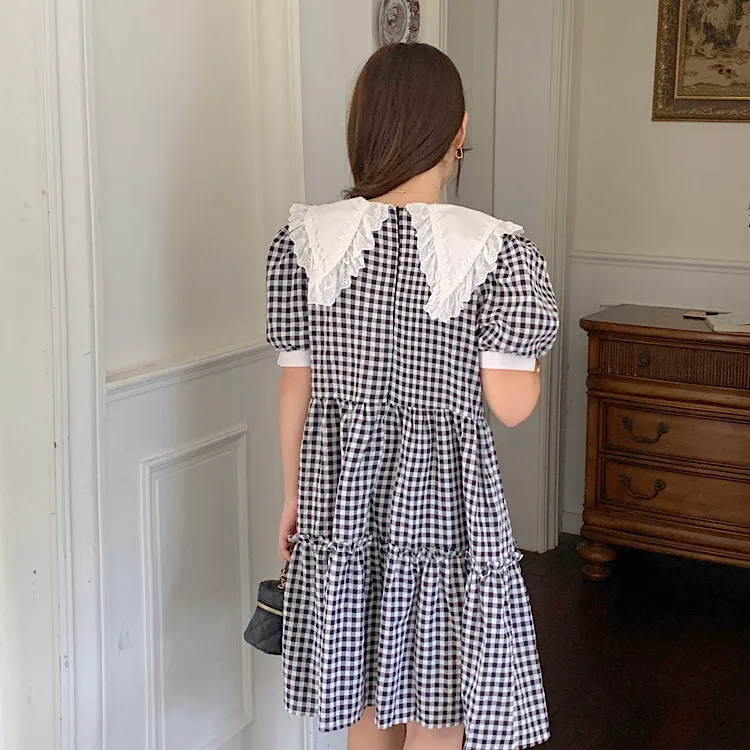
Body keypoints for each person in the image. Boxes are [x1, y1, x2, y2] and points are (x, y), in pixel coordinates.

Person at [266, 43, 559, 750]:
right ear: (459, 131)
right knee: (440, 699)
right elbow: (511, 406)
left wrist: (293, 495)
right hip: (444, 505)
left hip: (342, 491)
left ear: (362, 125)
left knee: (364, 688)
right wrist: (529, 358)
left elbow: (295, 383)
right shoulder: (496, 250)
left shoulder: (305, 241)